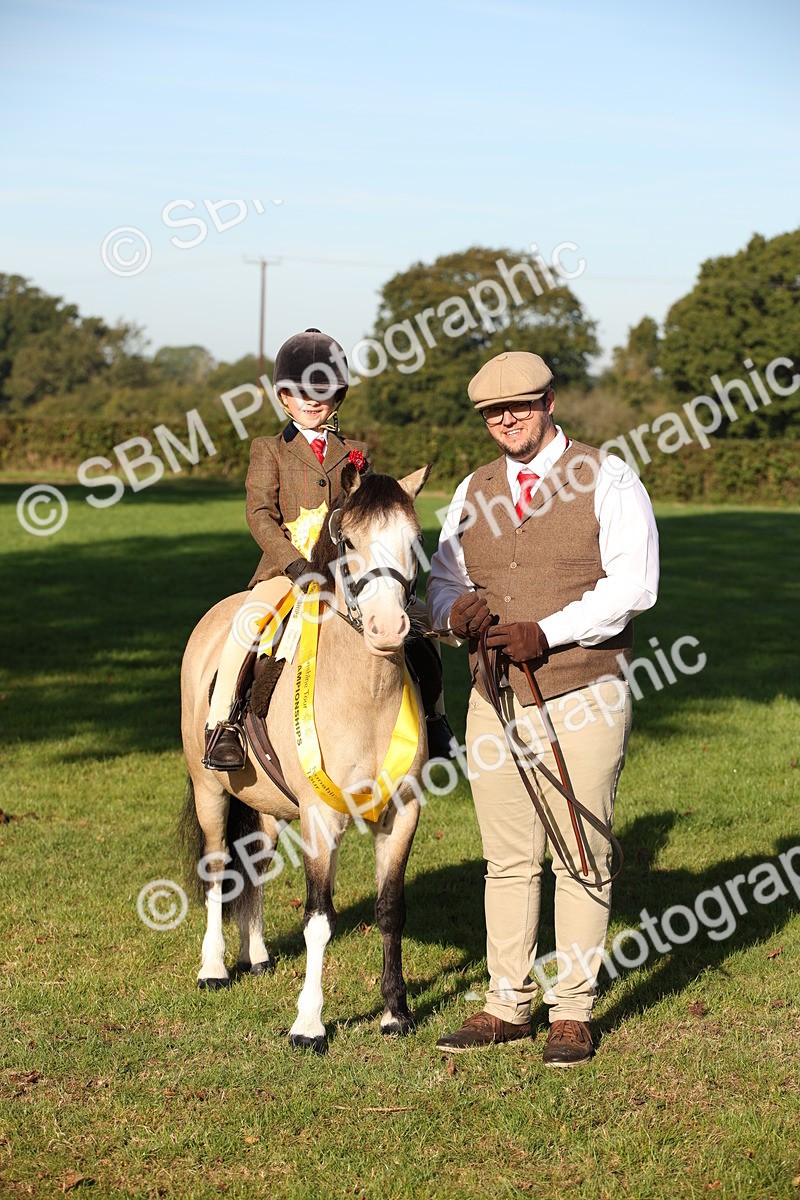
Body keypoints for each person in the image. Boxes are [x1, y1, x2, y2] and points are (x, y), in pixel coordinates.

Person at [427, 350, 659, 1066]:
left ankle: (573, 1010)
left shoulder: (607, 476)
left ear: (549, 402)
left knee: (580, 851)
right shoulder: (473, 488)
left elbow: (635, 584)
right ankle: (506, 1004)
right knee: (507, 859)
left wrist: (548, 632)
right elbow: (441, 580)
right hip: (493, 696)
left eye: (519, 407)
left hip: (583, 689)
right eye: (493, 412)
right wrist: (454, 611)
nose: (507, 421)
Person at [204, 327, 453, 771]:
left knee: (417, 628)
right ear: (283, 397)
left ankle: (435, 719)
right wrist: (295, 565)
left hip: (348, 574)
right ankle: (223, 724)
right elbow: (259, 515)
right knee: (246, 624)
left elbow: (368, 515)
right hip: (286, 571)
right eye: (301, 392)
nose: (312, 401)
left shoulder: (356, 452)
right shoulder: (269, 450)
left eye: (322, 392)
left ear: (338, 397)